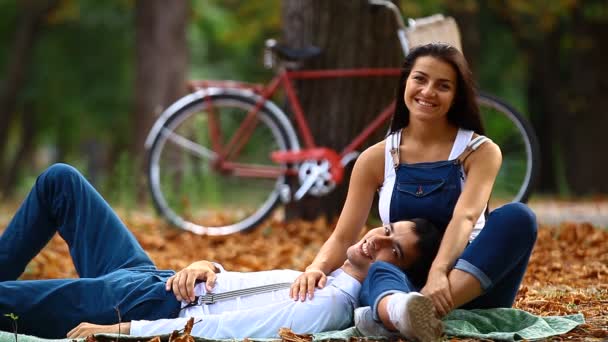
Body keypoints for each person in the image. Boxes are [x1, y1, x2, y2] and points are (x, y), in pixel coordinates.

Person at [0, 163, 441, 339]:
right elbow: (241, 290)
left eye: (394, 251)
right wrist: (208, 264)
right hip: (153, 277)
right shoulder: (324, 276)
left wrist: (117, 331)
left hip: (138, 304)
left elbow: (222, 329)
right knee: (61, 181)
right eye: (386, 229)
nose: (377, 240)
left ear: (397, 275)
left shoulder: (328, 306)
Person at [289, 43, 538, 341]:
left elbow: (466, 217)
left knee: (518, 217)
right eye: (420, 79)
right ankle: (404, 311)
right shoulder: (375, 159)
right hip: (399, 286)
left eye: (443, 85)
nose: (428, 91)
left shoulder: (480, 151)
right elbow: (344, 236)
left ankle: (420, 312)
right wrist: (315, 268)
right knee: (378, 269)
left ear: (457, 95)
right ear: (405, 82)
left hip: (470, 283)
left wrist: (438, 274)